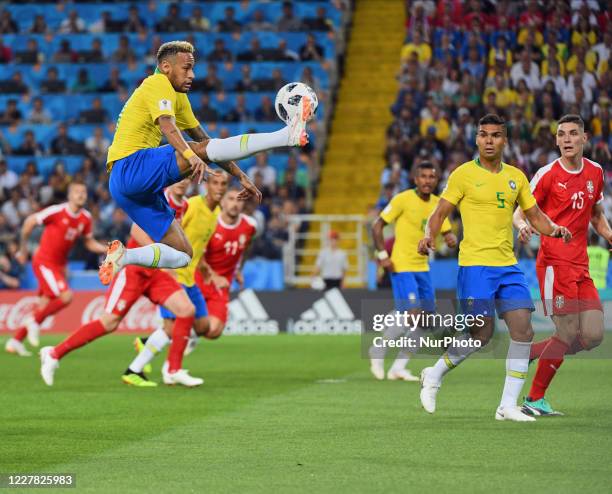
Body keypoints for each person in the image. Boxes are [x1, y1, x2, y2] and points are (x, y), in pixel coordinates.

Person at [99, 41, 312, 286]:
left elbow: (205, 141)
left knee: (182, 255)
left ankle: (123, 257)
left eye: (193, 68)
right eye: (186, 68)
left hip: (125, 187)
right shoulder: (156, 83)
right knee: (196, 150)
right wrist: (191, 156)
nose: (192, 75)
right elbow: (168, 126)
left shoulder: (178, 96)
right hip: (130, 165)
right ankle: (286, 135)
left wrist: (239, 175)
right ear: (166, 67)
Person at [417, 114, 571, 422]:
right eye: (484, 134)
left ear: (505, 140)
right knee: (481, 334)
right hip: (475, 266)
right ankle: (434, 375)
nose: (489, 140)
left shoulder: (516, 177)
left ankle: (507, 406)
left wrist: (554, 229)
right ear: (476, 139)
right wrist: (428, 235)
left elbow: (534, 214)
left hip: (508, 266)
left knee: (523, 330)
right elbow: (440, 211)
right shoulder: (463, 174)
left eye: (496, 135)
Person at [38, 180, 194, 386]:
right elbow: (136, 232)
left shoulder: (185, 205)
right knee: (109, 323)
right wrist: (163, 260)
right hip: (134, 271)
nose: (182, 182)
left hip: (155, 273)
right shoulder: (160, 198)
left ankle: (173, 370)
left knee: (186, 310)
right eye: (179, 177)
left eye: (187, 177)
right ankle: (54, 353)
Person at [513, 114, 610, 416]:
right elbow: (521, 211)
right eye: (561, 134)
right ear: (556, 140)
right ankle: (533, 400)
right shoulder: (546, 175)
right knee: (566, 332)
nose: (567, 139)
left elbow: (595, 214)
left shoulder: (595, 172)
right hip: (554, 263)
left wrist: (608, 233)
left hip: (581, 266)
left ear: (584, 139)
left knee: (593, 336)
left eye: (573, 133)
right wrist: (521, 225)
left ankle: (534, 352)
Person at [128, 186, 257, 375]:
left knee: (211, 329)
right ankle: (160, 369)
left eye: (239, 200)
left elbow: (245, 248)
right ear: (222, 200)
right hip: (196, 275)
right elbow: (194, 246)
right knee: (176, 325)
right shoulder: (203, 214)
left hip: (218, 282)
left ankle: (154, 347)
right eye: (230, 198)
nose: (234, 204)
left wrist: (238, 269)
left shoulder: (250, 225)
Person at [123, 173, 229, 386]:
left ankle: (150, 345)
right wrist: (164, 265)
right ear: (205, 185)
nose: (219, 187)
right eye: (215, 182)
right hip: (174, 275)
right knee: (173, 327)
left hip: (191, 278)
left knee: (203, 326)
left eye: (223, 184)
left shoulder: (216, 212)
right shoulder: (190, 206)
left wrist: (206, 268)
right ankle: (161, 368)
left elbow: (195, 246)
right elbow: (174, 236)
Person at [369, 162, 457, 381]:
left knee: (426, 321)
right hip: (402, 265)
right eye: (423, 176)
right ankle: (378, 351)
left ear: (437, 181)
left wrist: (450, 238)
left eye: (431, 177)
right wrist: (382, 256)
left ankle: (398, 367)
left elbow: (446, 232)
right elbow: (376, 226)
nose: (427, 180)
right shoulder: (402, 199)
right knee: (413, 315)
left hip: (423, 267)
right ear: (415, 179)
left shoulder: (439, 204)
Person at [5, 182, 107, 357]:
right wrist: (23, 249)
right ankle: (34, 323)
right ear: (69, 196)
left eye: (83, 191)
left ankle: (15, 341)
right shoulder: (57, 211)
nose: (81, 195)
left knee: (44, 305)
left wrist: (106, 249)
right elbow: (30, 221)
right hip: (44, 262)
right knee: (66, 297)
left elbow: (88, 242)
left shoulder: (85, 218)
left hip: (59, 266)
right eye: (77, 192)